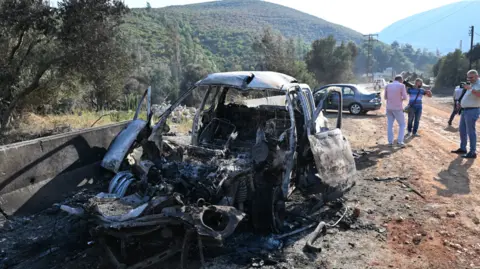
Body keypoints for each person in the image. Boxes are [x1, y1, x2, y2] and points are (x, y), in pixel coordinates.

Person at [451, 69, 480, 159]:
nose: (469, 79)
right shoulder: (471, 84)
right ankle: (463, 148)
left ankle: (472, 152)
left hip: (472, 110)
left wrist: (470, 89)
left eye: (471, 77)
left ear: (477, 76)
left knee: (471, 131)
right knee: (462, 129)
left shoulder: (478, 84)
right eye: (468, 77)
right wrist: (461, 103)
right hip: (465, 110)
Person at [384, 75, 408, 147]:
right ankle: (400, 141)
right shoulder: (402, 86)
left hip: (389, 108)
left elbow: (385, 97)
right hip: (397, 108)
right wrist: (399, 98)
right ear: (401, 80)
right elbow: (405, 97)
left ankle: (390, 142)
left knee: (390, 125)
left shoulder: (387, 85)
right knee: (402, 124)